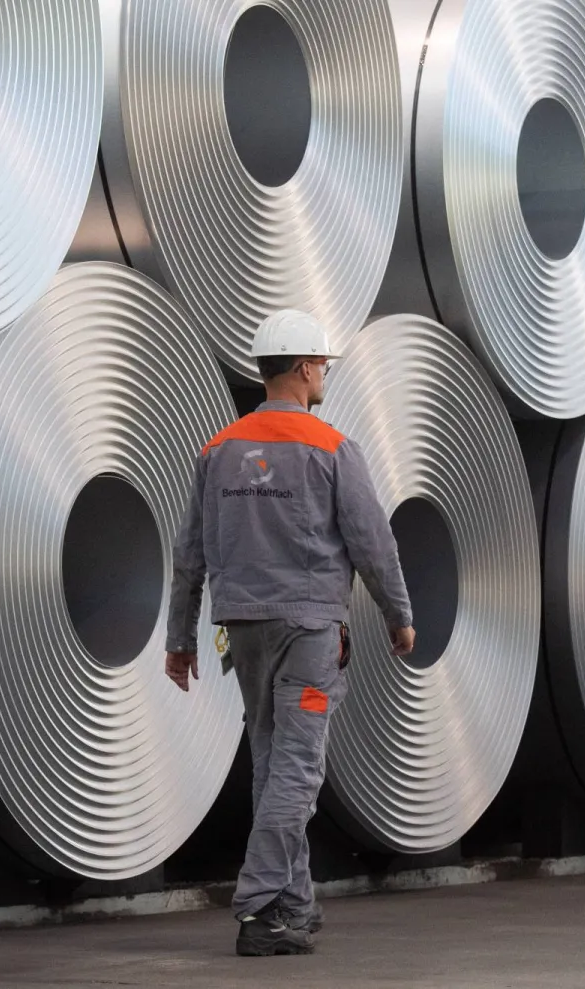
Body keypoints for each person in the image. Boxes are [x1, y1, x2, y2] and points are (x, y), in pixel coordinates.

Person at [164, 309, 416, 957]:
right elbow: (373, 543)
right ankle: (256, 906)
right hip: (307, 629)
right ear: (304, 367)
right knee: (298, 769)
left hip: (241, 632)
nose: (325, 372)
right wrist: (398, 613)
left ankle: (293, 909)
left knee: (275, 763)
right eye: (323, 363)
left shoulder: (217, 450)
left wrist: (179, 638)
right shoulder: (332, 448)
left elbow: (188, 552)